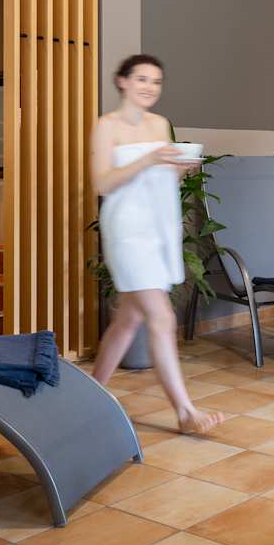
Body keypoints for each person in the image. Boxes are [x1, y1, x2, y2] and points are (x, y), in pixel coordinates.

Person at [90, 53, 225, 435]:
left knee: (128, 319)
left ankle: (92, 393)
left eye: (156, 81)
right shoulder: (107, 126)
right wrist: (149, 158)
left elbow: (163, 178)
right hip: (127, 230)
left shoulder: (160, 123)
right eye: (142, 79)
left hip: (157, 228)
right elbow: (102, 183)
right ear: (122, 81)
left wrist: (180, 169)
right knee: (162, 317)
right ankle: (185, 412)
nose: (149, 87)